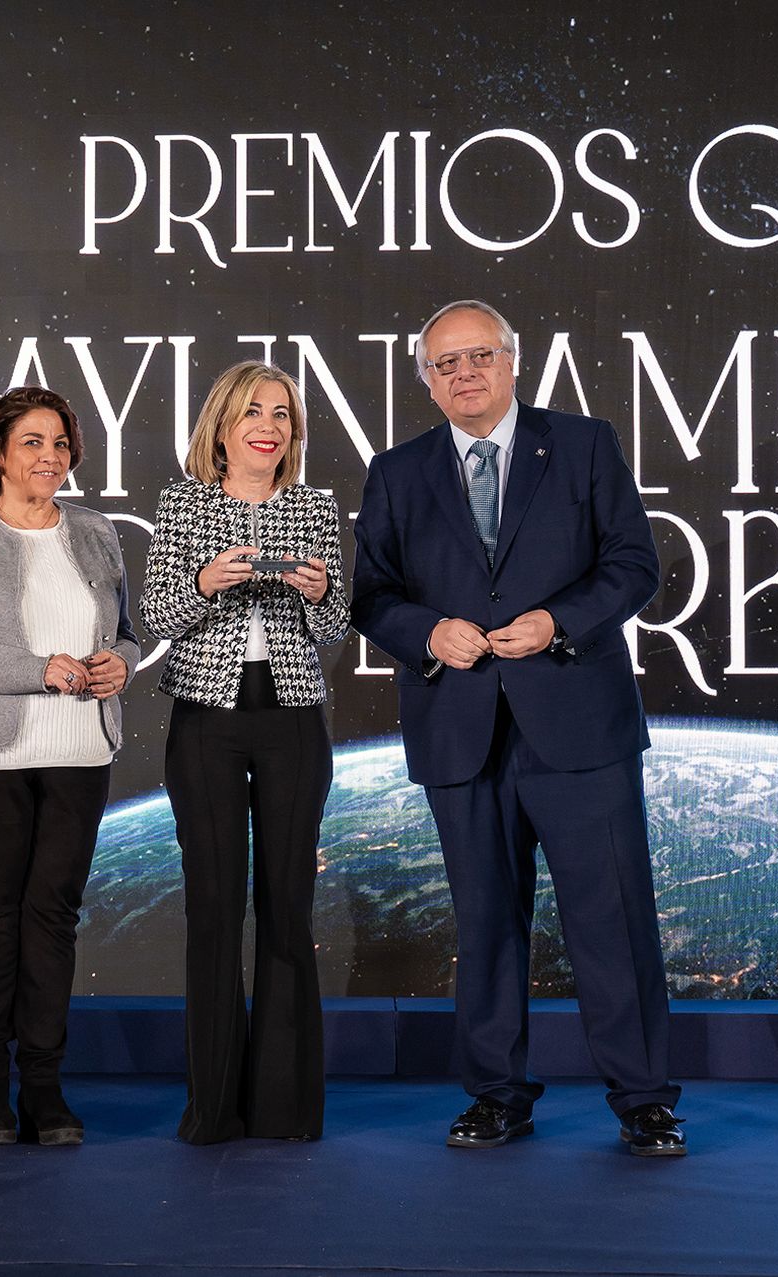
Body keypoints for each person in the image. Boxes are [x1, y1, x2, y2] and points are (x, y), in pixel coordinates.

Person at [351, 300, 686, 1156]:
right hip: (462, 733)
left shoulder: (584, 443)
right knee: (485, 925)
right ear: (426, 379)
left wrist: (557, 623)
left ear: (512, 360)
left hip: (578, 724)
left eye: (479, 356)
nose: (464, 373)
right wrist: (427, 632)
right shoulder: (396, 471)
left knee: (612, 920)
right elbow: (372, 595)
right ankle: (498, 1095)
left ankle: (645, 1099)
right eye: (445, 363)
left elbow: (633, 564)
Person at [0, 385, 138, 1146]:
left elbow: (128, 634)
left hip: (78, 752)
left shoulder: (99, 531)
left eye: (61, 443)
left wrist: (119, 666)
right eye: (34, 441)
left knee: (53, 921)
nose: (51, 456)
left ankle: (44, 1087)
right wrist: (38, 669)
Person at [141, 361, 349, 1144]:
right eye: (254, 410)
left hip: (293, 718)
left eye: (284, 414)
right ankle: (214, 1107)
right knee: (215, 909)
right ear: (222, 426)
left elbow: (336, 628)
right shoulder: (183, 502)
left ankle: (286, 1107)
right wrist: (205, 579)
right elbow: (160, 611)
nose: (270, 423)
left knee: (288, 910)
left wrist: (321, 591)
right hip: (206, 721)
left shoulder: (314, 507)